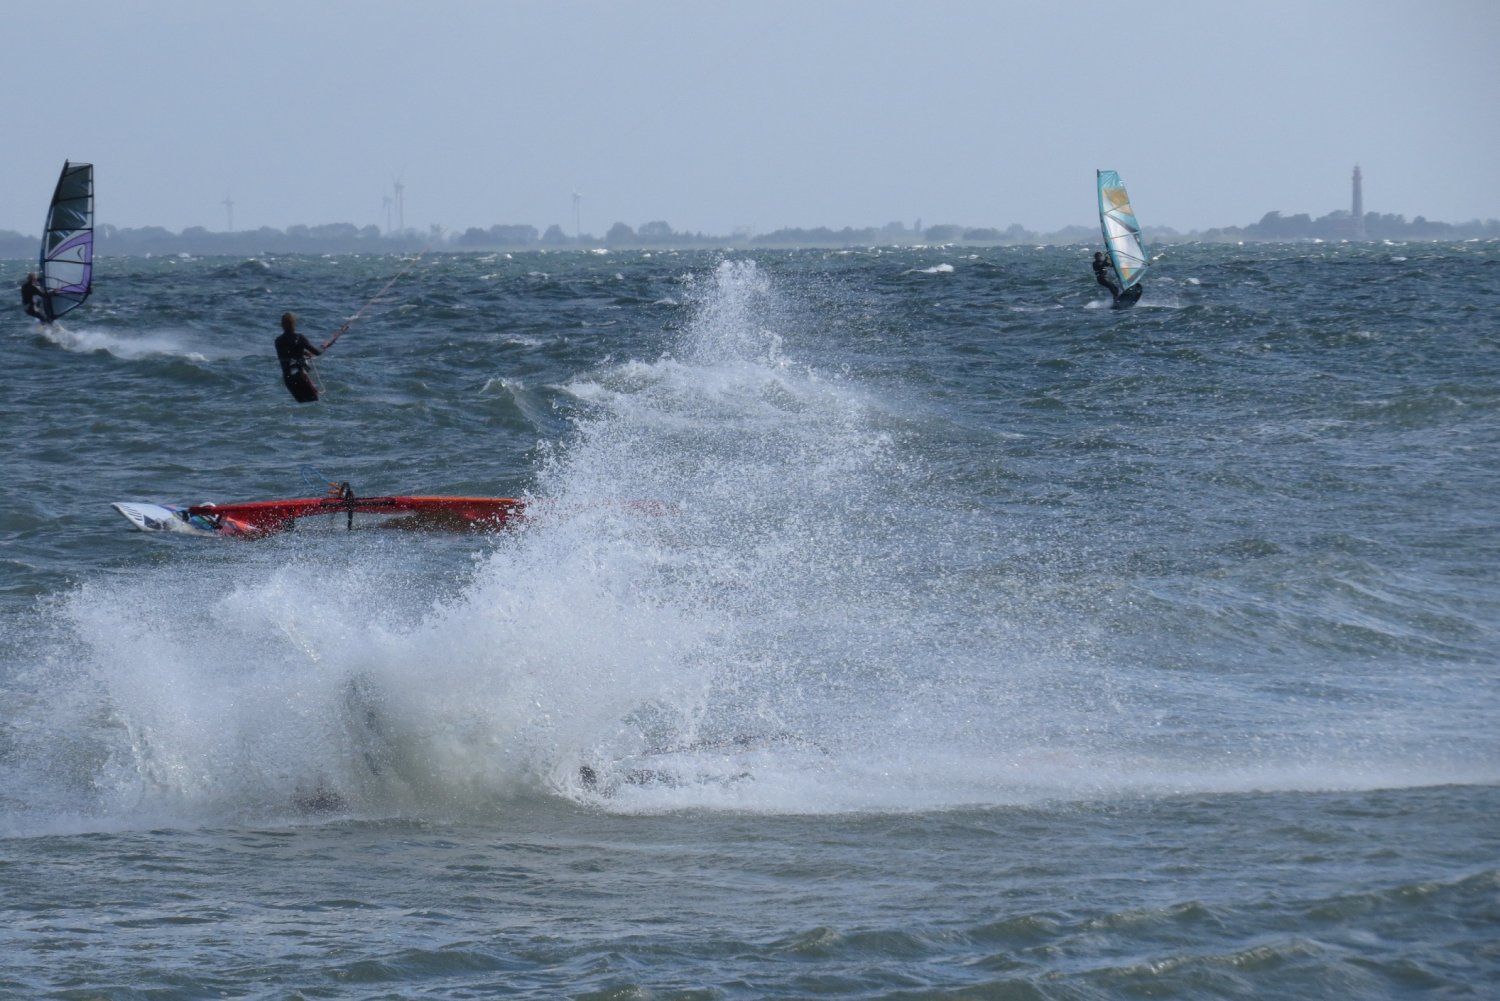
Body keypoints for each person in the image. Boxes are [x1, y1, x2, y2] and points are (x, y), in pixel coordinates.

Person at [274, 311, 323, 403]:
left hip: (288, 380)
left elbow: (288, 354)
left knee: (302, 404)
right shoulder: (300, 338)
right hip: (300, 377)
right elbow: (317, 352)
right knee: (314, 403)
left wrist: (303, 352)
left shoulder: (278, 341)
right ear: (294, 324)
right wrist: (323, 347)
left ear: (282, 325)